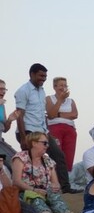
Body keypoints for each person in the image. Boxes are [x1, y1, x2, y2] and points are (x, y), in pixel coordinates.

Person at [14, 63, 77, 193]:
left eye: (45, 76)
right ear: (32, 74)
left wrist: (47, 132)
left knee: (58, 155)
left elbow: (42, 114)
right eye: (41, 76)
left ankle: (65, 188)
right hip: (28, 131)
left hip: (42, 130)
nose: (43, 79)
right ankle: (29, 189)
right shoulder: (23, 91)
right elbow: (20, 115)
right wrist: (23, 137)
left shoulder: (41, 91)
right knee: (32, 160)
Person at [0, 156, 74, 213]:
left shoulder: (4, 168)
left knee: (26, 207)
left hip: (4, 199)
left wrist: (1, 171)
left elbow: (8, 187)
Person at [11, 132, 75, 213]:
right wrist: (34, 190)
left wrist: (56, 186)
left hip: (45, 191)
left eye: (48, 143)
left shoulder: (48, 160)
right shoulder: (21, 158)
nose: (47, 146)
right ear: (34, 143)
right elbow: (16, 181)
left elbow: (55, 182)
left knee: (54, 194)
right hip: (26, 191)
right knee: (35, 198)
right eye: (44, 143)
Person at [45, 77, 78, 171]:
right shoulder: (49, 99)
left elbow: (75, 114)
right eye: (61, 85)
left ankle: (66, 177)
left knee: (69, 155)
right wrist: (60, 100)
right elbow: (51, 115)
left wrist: (58, 114)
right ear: (55, 87)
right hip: (54, 128)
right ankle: (55, 176)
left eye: (65, 85)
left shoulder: (71, 101)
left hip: (70, 129)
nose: (63, 87)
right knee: (57, 154)